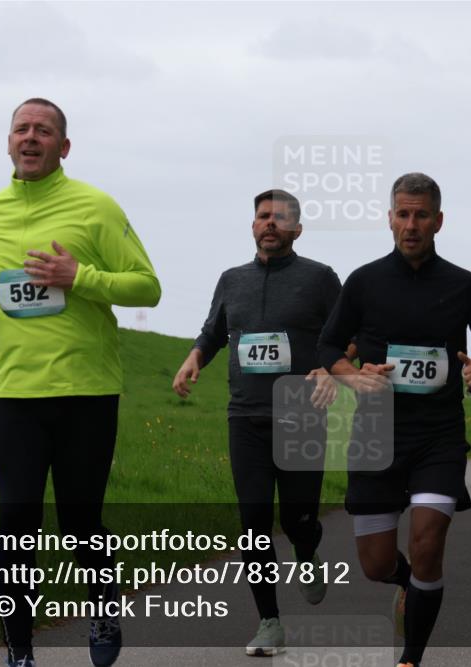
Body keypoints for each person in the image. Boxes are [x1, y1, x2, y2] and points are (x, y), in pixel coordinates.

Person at [0, 98, 161, 667]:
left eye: (43, 130)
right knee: (15, 523)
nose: (30, 137)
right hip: (13, 393)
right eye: (21, 128)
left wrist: (79, 275)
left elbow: (147, 286)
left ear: (63, 146)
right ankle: (19, 650)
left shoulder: (95, 207)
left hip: (85, 392)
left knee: (79, 523)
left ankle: (102, 604)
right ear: (8, 141)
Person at [318, 173, 471, 667]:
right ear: (390, 219)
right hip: (375, 435)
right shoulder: (364, 281)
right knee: (375, 564)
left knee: (427, 544)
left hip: (438, 437)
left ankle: (410, 658)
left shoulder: (464, 285)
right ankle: (406, 583)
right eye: (403, 214)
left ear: (438, 221)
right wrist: (353, 376)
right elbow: (327, 346)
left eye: (421, 215)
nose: (412, 225)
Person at [172, 189, 341, 656]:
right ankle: (269, 621)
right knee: (253, 522)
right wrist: (195, 357)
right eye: (263, 216)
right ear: (252, 226)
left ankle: (305, 549)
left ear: (297, 230)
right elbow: (213, 331)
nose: (270, 223)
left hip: (302, 416)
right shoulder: (232, 280)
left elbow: (347, 335)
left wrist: (329, 369)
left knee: (297, 519)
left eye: (280, 218)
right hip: (246, 417)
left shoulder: (321, 278)